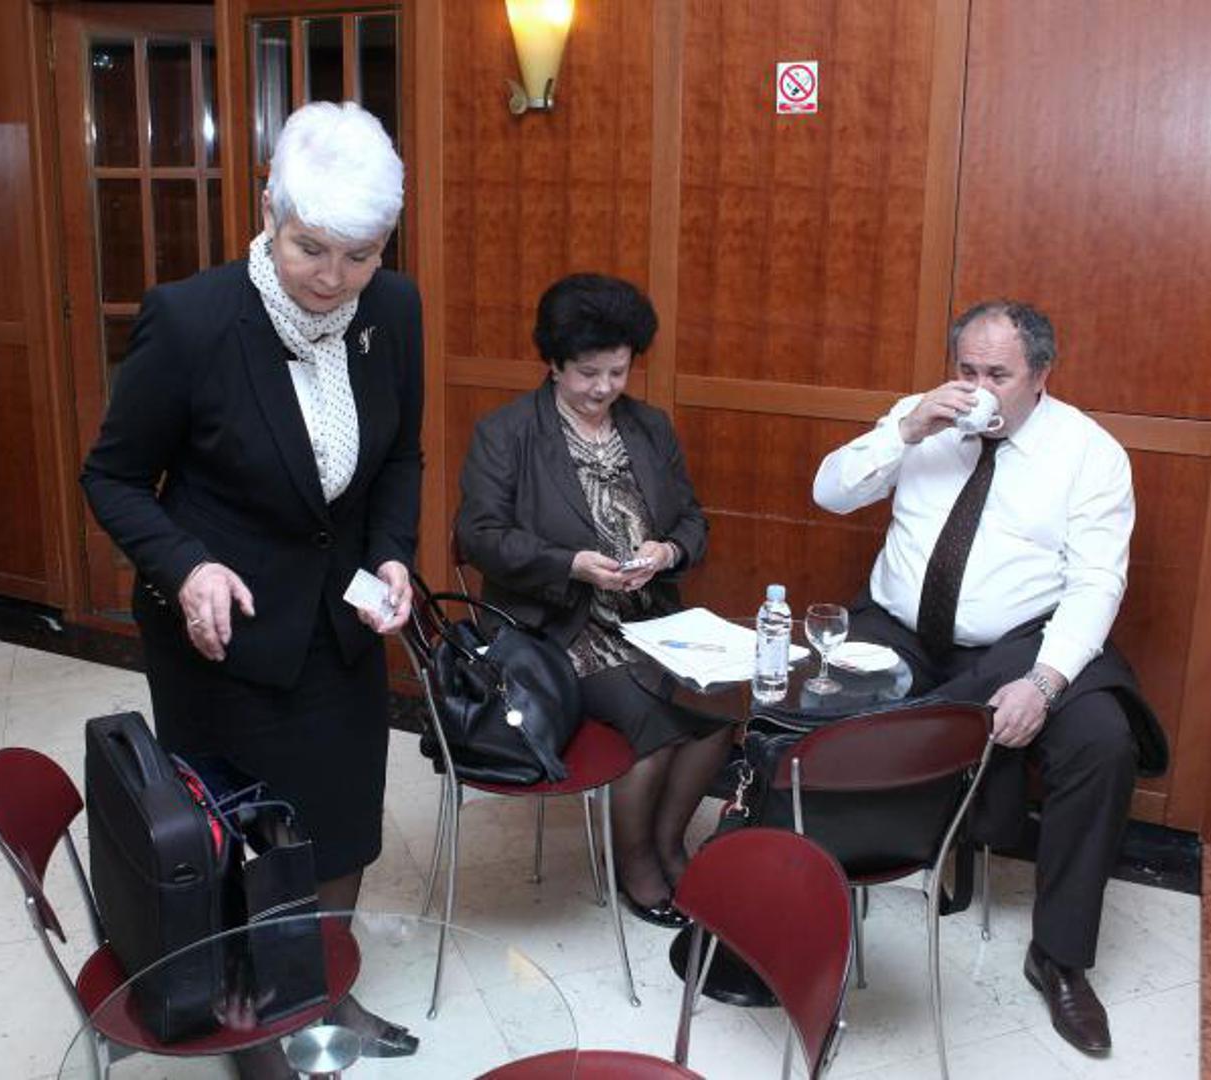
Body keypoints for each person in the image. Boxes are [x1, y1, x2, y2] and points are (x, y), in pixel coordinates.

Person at [81, 101, 422, 1064]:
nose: (333, 278)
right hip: (222, 633)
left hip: (339, 623)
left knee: (342, 828)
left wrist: (392, 552)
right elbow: (111, 478)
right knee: (245, 841)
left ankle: (321, 997)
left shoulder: (393, 310)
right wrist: (186, 566)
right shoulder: (192, 320)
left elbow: (402, 457)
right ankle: (255, 1029)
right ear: (269, 210)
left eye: (360, 255)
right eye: (311, 248)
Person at [812, 300, 1167, 1056]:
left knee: (1102, 743)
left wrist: (1044, 681)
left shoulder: (1089, 453)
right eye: (966, 370)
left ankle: (1060, 958)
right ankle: (812, 906)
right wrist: (905, 431)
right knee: (820, 707)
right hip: (903, 631)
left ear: (1041, 375)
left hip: (1023, 642)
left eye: (997, 375)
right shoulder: (920, 418)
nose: (977, 389)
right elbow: (830, 492)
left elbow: (1096, 584)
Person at [454, 273, 731, 928]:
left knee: (722, 711)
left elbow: (693, 520)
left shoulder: (648, 428)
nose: (604, 388)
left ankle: (667, 844)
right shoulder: (508, 434)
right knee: (652, 726)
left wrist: (667, 551)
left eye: (617, 371)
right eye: (587, 373)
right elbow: (480, 536)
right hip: (556, 631)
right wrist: (572, 565)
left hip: (648, 619)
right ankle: (636, 865)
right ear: (553, 363)